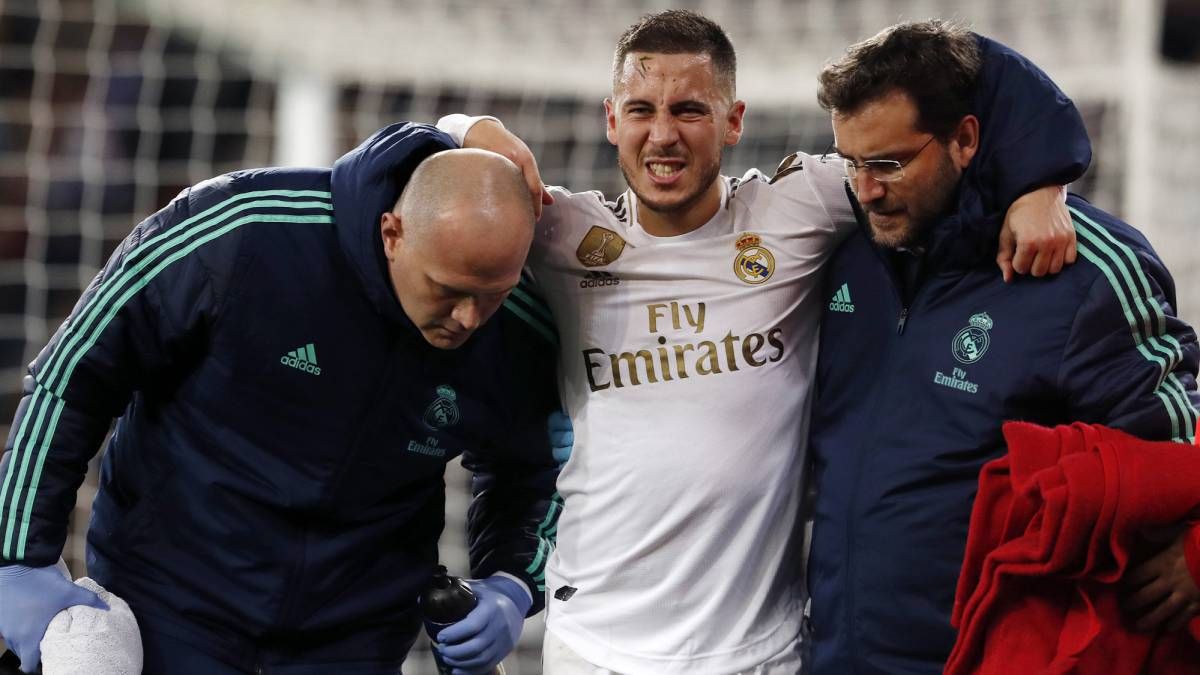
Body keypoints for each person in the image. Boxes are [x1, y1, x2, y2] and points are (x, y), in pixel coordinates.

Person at [439, 10, 1084, 674]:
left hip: (757, 653)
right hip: (592, 645)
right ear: (611, 120)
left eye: (690, 110)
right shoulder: (559, 232)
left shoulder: (801, 206)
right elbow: (420, 163)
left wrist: (1042, 185)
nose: (663, 135)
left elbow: (955, 93)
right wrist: (472, 128)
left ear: (734, 121)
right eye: (641, 110)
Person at [0, 123, 563, 675]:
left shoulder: (517, 330)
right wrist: (19, 557)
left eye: (493, 295)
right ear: (392, 233)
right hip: (169, 606)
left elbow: (533, 471)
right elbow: (73, 375)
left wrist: (511, 583)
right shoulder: (239, 231)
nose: (469, 317)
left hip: (354, 640)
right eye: (448, 290)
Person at [806, 20, 1200, 674]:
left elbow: (1184, 449)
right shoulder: (843, 250)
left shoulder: (1086, 272)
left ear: (965, 139)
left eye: (888, 164)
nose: (865, 188)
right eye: (850, 161)